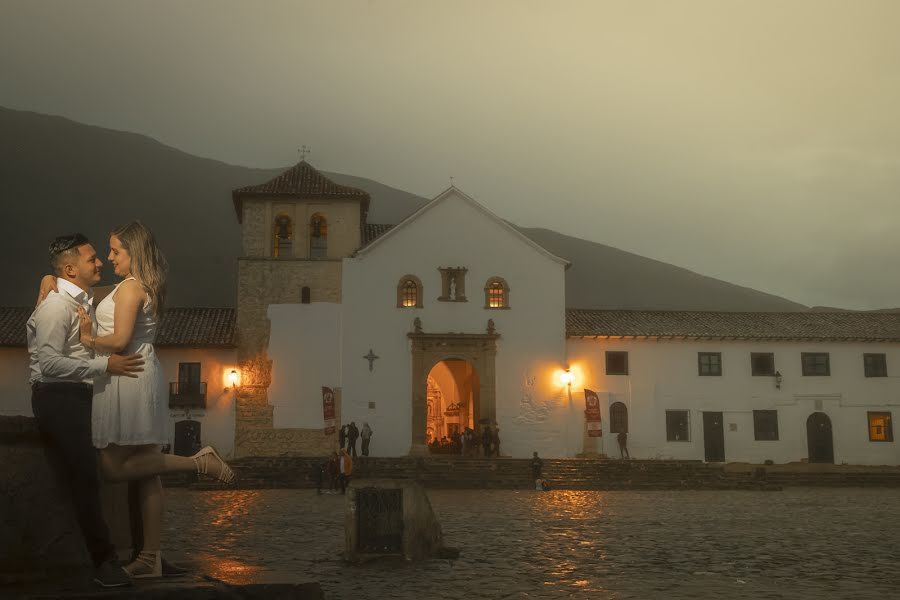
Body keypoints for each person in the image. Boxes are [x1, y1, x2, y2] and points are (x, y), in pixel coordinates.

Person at [39, 223, 235, 579]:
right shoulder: (128, 287)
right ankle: (150, 557)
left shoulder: (130, 290)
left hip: (127, 374)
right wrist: (47, 281)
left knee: (113, 468)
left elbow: (119, 341)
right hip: (134, 372)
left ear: (134, 252)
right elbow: (84, 293)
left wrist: (88, 338)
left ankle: (199, 463)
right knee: (148, 471)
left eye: (115, 251)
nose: (109, 257)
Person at [28, 234, 146, 588]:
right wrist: (103, 366)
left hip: (79, 396)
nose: (99, 263)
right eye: (92, 259)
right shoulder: (56, 307)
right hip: (58, 397)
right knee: (84, 479)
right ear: (70, 269)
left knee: (110, 469)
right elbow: (48, 364)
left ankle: (141, 552)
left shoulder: (79, 300)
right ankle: (104, 562)